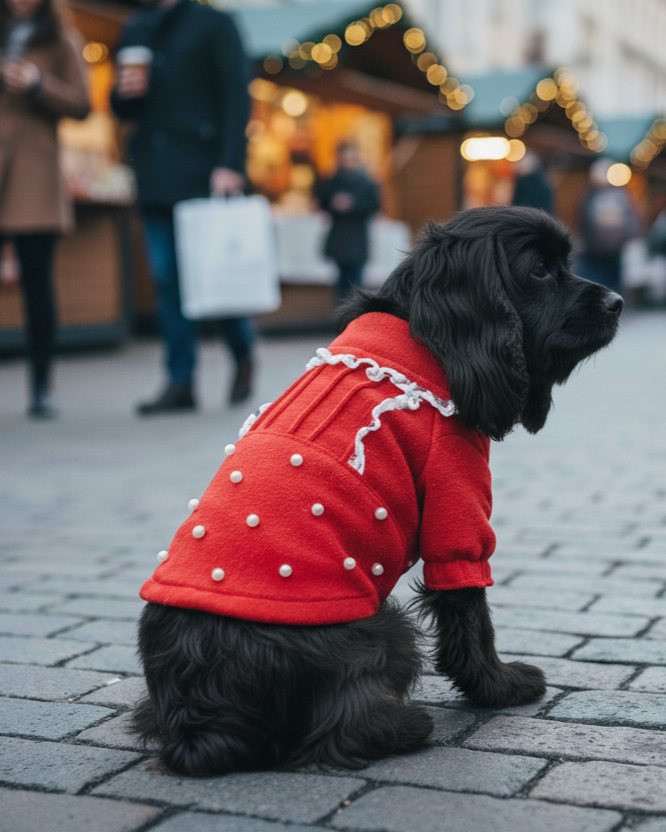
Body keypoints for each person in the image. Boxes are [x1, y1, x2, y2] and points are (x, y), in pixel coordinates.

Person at [110, 0, 253, 414]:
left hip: (204, 172)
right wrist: (123, 94)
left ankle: (242, 353)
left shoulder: (214, 24)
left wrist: (230, 163)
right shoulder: (136, 27)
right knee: (168, 282)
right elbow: (122, 108)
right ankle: (180, 381)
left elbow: (235, 95)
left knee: (216, 278)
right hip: (155, 177)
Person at [0, 0, 90, 417]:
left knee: (37, 286)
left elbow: (82, 103)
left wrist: (38, 85)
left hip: (33, 174)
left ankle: (41, 386)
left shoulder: (60, 39)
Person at [317, 142, 381, 302]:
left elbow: (374, 206)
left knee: (356, 282)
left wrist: (353, 205)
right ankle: (342, 316)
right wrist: (333, 204)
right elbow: (321, 202)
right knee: (342, 282)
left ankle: (354, 316)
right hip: (340, 237)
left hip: (357, 237)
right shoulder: (332, 180)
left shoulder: (366, 182)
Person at [577, 158, 640, 293]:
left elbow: (631, 218)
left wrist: (630, 238)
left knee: (612, 287)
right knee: (592, 285)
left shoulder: (620, 196)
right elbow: (583, 221)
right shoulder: (588, 196)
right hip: (593, 250)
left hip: (614, 251)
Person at [511, 150, 554, 214]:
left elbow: (520, 203)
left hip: (527, 215)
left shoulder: (526, 182)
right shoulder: (542, 181)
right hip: (541, 215)